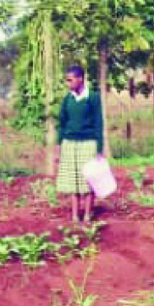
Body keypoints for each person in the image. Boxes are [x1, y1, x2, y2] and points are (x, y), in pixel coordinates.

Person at [54, 65, 104, 223]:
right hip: (70, 143)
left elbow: (98, 123)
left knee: (89, 181)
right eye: (66, 80)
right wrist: (58, 145)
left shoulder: (93, 97)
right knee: (73, 181)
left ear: (80, 79)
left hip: (88, 143)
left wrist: (100, 148)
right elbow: (62, 123)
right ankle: (75, 216)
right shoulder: (67, 99)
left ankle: (88, 215)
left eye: (70, 80)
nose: (68, 83)